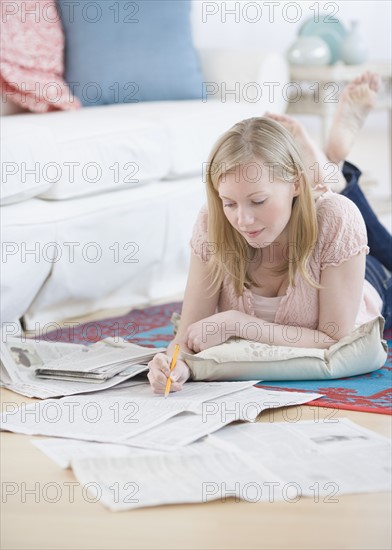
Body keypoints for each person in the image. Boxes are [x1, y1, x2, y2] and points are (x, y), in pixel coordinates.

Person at [148, 71, 391, 394]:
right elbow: (188, 336)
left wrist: (237, 323)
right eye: (229, 202)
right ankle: (329, 166)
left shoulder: (336, 219)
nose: (243, 220)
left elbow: (334, 340)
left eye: (258, 201)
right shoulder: (212, 222)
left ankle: (334, 171)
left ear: (295, 183)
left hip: (366, 279)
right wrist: (172, 363)